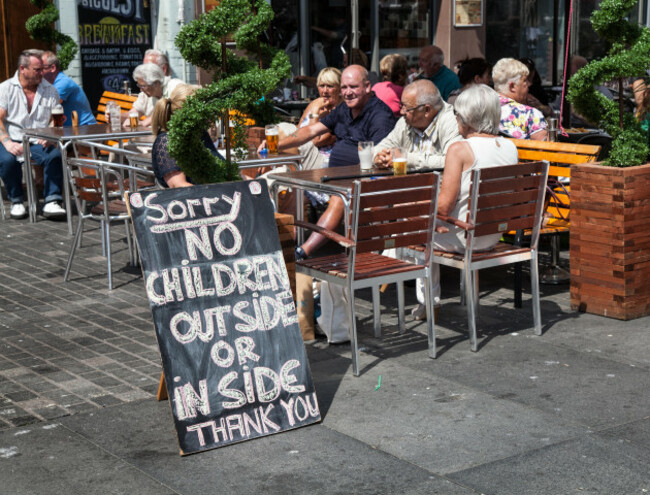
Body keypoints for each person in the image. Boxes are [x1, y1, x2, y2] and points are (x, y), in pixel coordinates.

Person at [408, 84, 519, 318]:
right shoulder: (510, 147)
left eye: (456, 114)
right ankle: (430, 303)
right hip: (492, 235)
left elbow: (444, 207)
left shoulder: (460, 148)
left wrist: (416, 211)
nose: (455, 119)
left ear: (467, 118)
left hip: (465, 237)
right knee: (431, 226)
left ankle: (428, 303)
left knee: (417, 233)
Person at [0, 49, 66, 220]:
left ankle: (52, 200)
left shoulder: (50, 90)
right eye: (37, 70)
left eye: (43, 69)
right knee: (7, 160)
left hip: (39, 138)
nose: (42, 73)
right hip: (13, 137)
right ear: (23, 69)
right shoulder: (5, 88)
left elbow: (55, 120)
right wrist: (7, 142)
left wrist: (50, 134)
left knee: (55, 155)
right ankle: (16, 200)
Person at [373, 79, 462, 170]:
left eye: (407, 108)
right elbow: (383, 146)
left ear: (427, 110)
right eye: (401, 105)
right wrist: (380, 157)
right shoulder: (406, 121)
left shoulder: (453, 121)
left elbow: (453, 161)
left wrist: (406, 159)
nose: (402, 111)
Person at [151, 84, 224, 188]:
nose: (211, 112)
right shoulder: (166, 141)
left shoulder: (201, 134)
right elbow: (178, 185)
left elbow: (224, 172)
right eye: (205, 107)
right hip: (194, 201)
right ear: (187, 112)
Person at [492, 58, 547, 140]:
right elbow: (546, 150)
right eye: (525, 80)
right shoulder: (530, 114)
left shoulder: (477, 109)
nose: (529, 84)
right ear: (512, 86)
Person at [41, 51, 96, 127]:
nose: (38, 72)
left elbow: (47, 110)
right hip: (70, 131)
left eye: (41, 68)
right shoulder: (48, 84)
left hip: (85, 129)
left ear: (52, 68)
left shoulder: (63, 83)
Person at [129, 63, 183, 127]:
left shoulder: (175, 86)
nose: (141, 90)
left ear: (156, 83)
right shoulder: (148, 94)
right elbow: (135, 111)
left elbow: (181, 110)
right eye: (139, 86)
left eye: (143, 86)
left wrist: (152, 119)